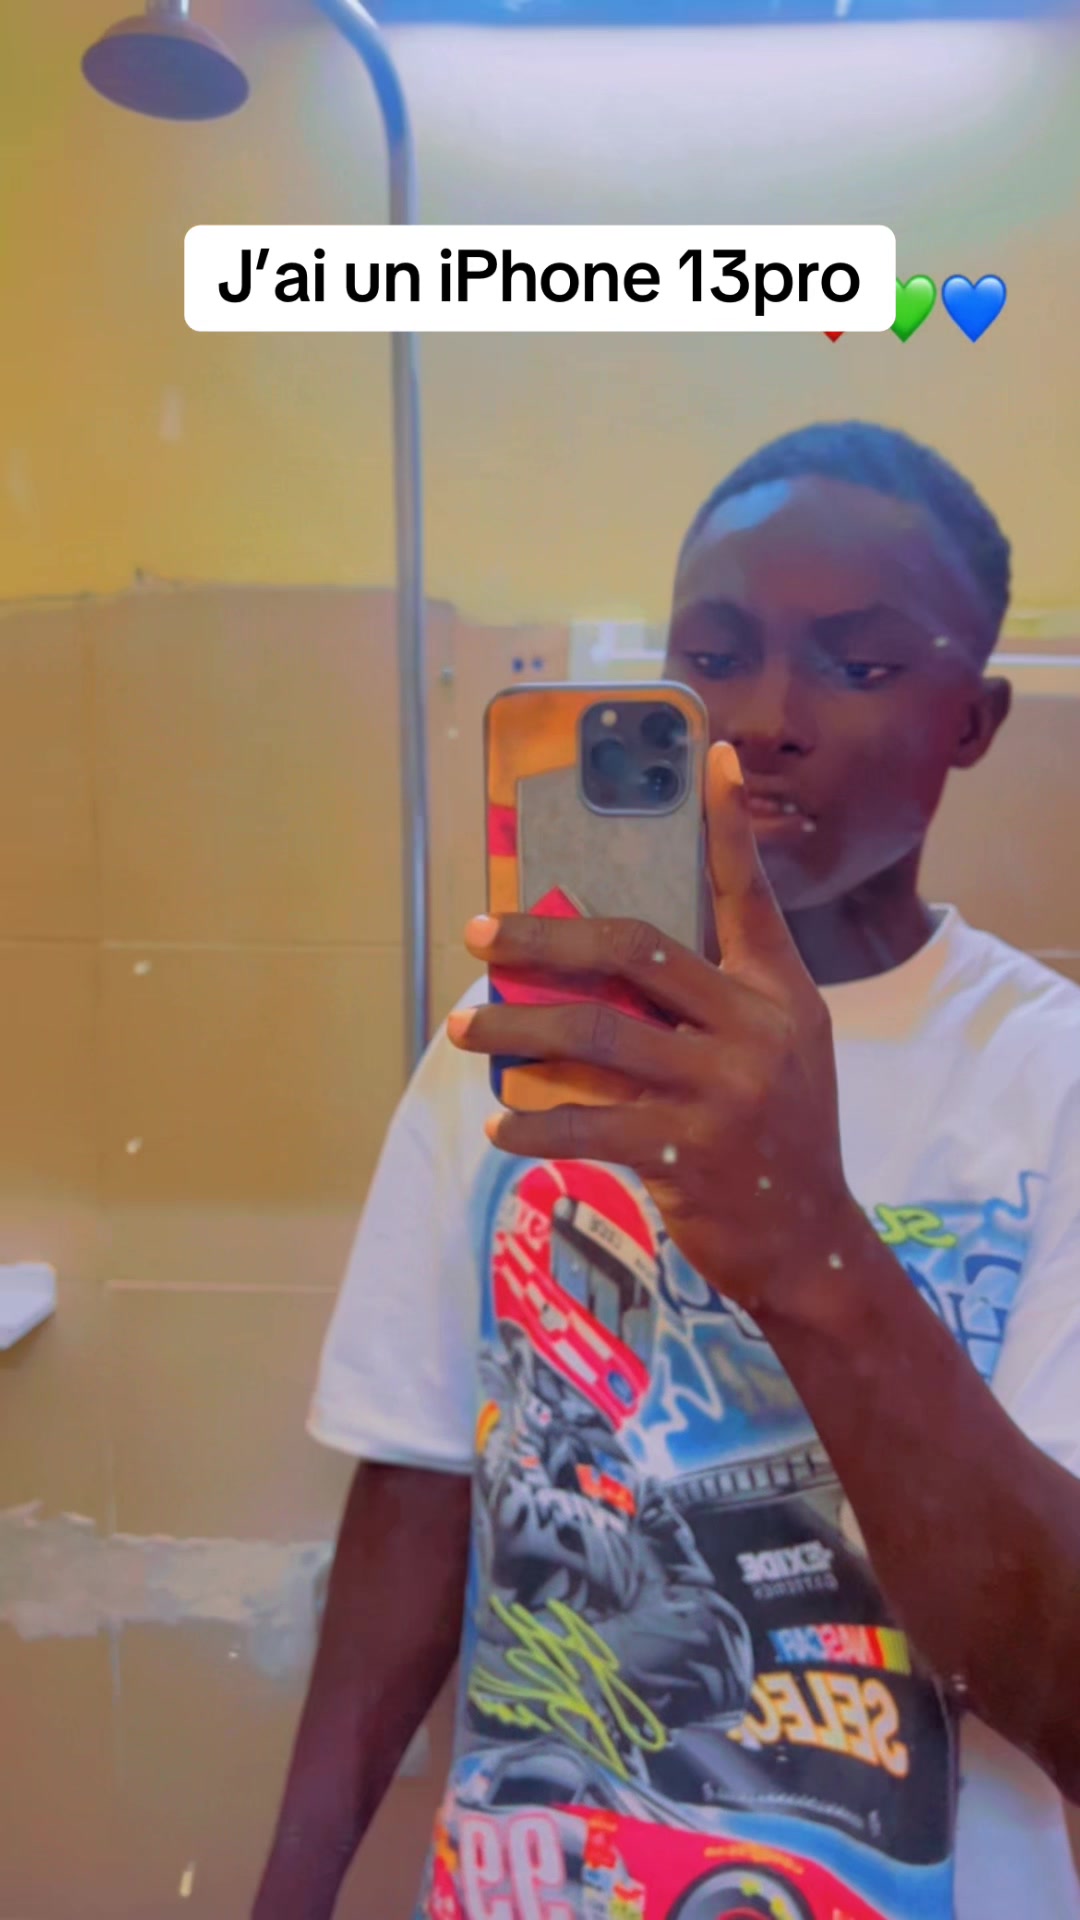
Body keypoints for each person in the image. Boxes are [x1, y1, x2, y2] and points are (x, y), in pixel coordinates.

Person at [253, 421, 1080, 1920]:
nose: (765, 718)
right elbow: (419, 1496)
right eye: (715, 656)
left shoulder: (1053, 1082)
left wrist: (809, 1240)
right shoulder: (520, 1038)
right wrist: (288, 1894)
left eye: (860, 663)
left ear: (973, 719)